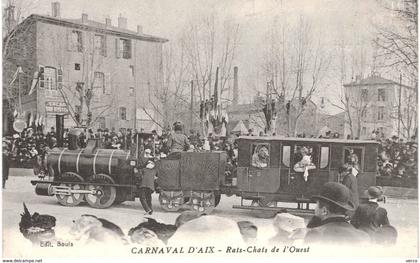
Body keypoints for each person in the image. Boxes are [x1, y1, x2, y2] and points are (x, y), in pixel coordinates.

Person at [304, 182, 369, 245]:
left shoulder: (315, 234)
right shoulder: (364, 236)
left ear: (324, 211)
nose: (315, 209)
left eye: (316, 205)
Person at [137, 148, 156, 215]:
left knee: (142, 197)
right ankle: (150, 210)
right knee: (148, 197)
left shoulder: (143, 161)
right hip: (150, 183)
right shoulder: (153, 163)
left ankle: (147, 210)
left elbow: (139, 168)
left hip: (144, 182)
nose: (147, 154)